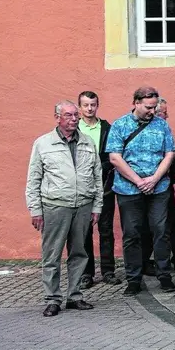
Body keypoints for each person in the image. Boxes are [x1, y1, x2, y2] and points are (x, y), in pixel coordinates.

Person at [27, 100, 103, 316]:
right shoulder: (43, 144)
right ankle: (52, 299)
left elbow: (97, 176)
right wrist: (35, 210)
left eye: (75, 116)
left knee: (79, 253)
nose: (74, 119)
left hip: (83, 206)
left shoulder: (87, 142)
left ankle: (75, 296)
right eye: (68, 115)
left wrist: (97, 206)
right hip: (55, 206)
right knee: (51, 255)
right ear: (57, 117)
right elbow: (33, 179)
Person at [106, 87, 175, 295]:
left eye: (154, 107)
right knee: (132, 234)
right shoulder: (120, 126)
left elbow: (169, 154)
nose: (152, 111)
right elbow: (115, 158)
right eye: (148, 107)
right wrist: (138, 181)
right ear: (136, 103)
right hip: (129, 189)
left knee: (161, 231)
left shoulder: (161, 125)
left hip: (159, 188)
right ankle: (134, 279)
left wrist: (154, 179)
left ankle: (164, 275)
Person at [75, 91, 114, 288]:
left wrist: (102, 168)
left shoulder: (106, 128)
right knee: (84, 232)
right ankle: (86, 274)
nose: (89, 109)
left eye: (93, 105)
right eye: (85, 105)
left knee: (106, 229)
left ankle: (108, 271)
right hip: (81, 188)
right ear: (79, 107)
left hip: (104, 185)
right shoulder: (74, 129)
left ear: (97, 105)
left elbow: (111, 155)